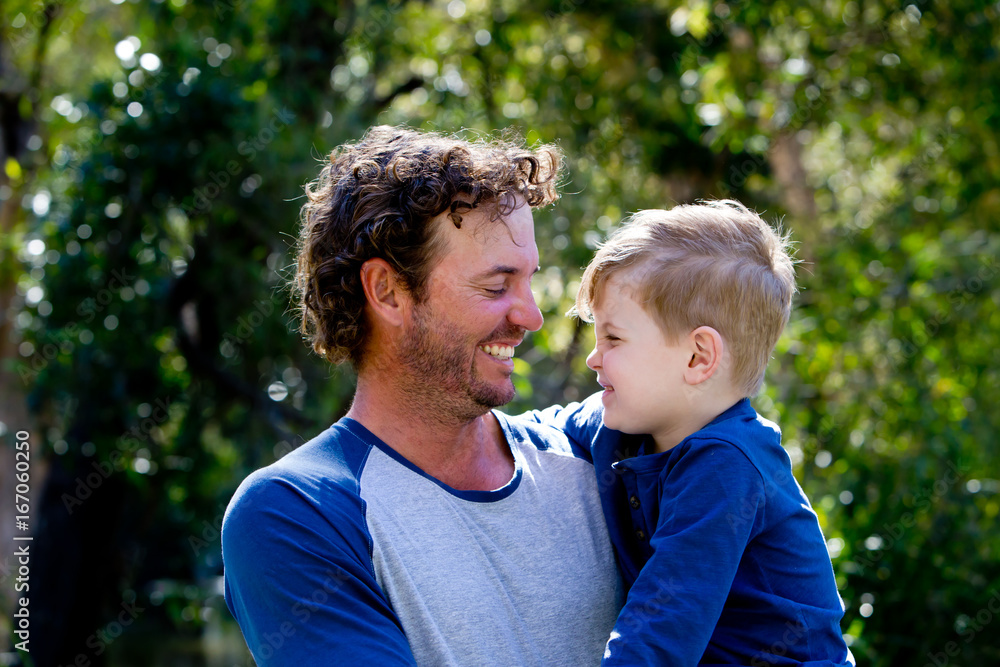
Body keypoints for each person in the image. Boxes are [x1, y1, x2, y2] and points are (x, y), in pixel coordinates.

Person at [221, 125, 622, 666]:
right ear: (387, 292)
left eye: (530, 279)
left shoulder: (593, 451)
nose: (531, 316)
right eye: (496, 286)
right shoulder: (297, 512)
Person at [531, 201, 855, 665]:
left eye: (614, 338)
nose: (593, 357)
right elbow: (533, 430)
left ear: (697, 357)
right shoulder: (623, 426)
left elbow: (660, 630)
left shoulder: (727, 464)